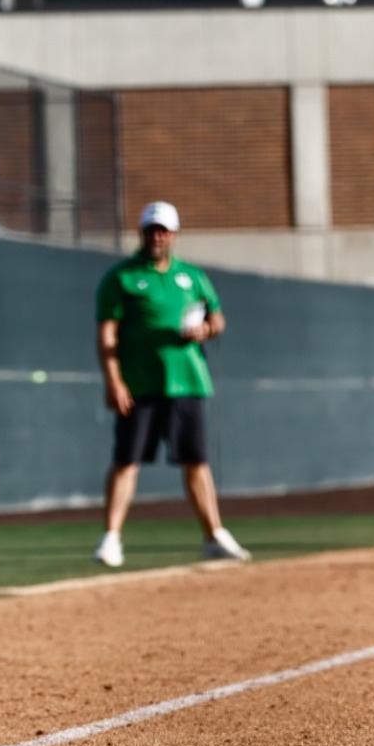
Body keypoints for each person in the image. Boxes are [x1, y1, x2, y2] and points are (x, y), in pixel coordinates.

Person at [92, 201, 249, 568]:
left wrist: (207, 328)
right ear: (141, 233)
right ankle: (111, 538)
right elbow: (107, 335)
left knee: (196, 461)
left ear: (175, 234)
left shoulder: (192, 277)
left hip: (188, 382)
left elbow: (218, 317)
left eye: (163, 230)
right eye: (151, 230)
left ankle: (214, 535)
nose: (157, 237)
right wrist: (114, 380)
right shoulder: (122, 278)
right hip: (140, 385)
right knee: (126, 461)